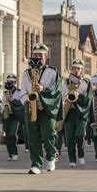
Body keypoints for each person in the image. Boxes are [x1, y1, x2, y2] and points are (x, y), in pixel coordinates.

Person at [20, 43, 63, 174]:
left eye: (41, 55)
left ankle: (50, 158)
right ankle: (36, 164)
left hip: (47, 109)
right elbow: (22, 92)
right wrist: (27, 102)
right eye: (35, 55)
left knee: (49, 133)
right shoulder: (27, 73)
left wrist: (42, 89)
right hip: (31, 108)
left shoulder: (53, 72)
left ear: (46, 57)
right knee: (33, 137)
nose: (38, 57)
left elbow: (56, 91)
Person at [62, 59, 93, 167]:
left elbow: (88, 98)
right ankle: (72, 159)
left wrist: (77, 96)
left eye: (79, 68)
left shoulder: (86, 82)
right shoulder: (66, 81)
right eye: (74, 68)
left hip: (81, 112)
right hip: (69, 112)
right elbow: (62, 96)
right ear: (71, 69)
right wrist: (67, 95)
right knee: (69, 137)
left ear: (82, 70)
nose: (76, 70)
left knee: (80, 134)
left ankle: (81, 154)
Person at [1, 74, 24, 161]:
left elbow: (21, 103)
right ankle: (10, 153)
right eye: (8, 81)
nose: (9, 83)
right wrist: (4, 108)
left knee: (12, 134)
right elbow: (2, 103)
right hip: (7, 115)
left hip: (15, 116)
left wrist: (12, 100)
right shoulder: (5, 93)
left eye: (11, 82)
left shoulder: (19, 92)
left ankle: (14, 152)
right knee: (7, 136)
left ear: (15, 82)